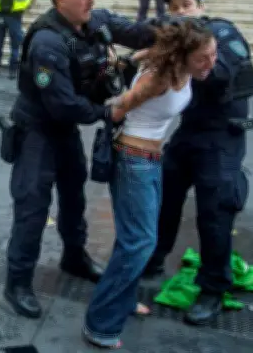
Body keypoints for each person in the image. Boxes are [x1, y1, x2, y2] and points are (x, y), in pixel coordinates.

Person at [5, 0, 156, 319]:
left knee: (74, 197)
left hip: (66, 131)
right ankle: (18, 282)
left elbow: (138, 32)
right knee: (32, 208)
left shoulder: (95, 20)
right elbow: (61, 104)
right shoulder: (46, 41)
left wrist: (183, 30)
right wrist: (109, 113)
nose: (91, 0)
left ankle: (75, 258)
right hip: (38, 132)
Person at [83, 18, 216, 349]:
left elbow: (152, 53)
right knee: (140, 241)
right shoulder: (160, 79)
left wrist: (136, 59)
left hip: (151, 159)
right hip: (133, 160)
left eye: (214, 55)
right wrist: (124, 96)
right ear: (183, 56)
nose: (211, 63)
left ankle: (124, 302)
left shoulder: (174, 64)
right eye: (204, 58)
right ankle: (100, 324)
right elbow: (114, 111)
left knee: (136, 238)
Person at [143, 0, 253, 326]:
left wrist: (181, 57)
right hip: (190, 131)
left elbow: (221, 72)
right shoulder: (175, 40)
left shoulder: (221, 31)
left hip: (223, 135)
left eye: (187, 4)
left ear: (201, 7)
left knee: (214, 212)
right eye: (174, 7)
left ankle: (213, 287)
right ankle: (154, 258)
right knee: (164, 196)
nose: (181, 11)